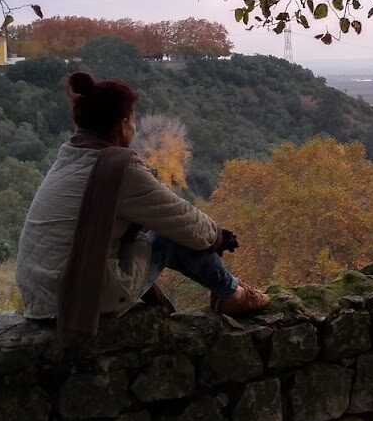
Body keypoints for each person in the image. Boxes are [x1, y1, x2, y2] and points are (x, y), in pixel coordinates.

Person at [16, 71, 269, 338]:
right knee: (168, 235)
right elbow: (183, 220)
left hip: (41, 298)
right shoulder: (119, 168)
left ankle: (230, 291)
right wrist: (218, 236)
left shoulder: (70, 156)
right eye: (134, 119)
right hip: (80, 299)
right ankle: (233, 294)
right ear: (123, 125)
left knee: (152, 232)